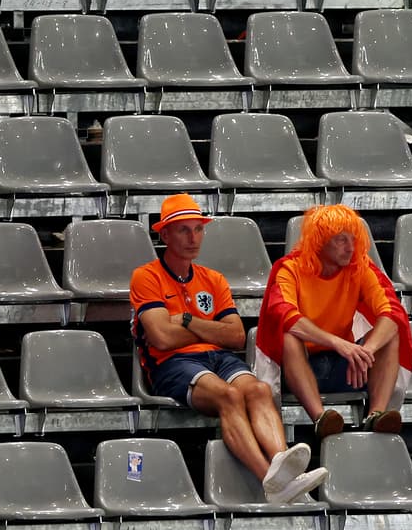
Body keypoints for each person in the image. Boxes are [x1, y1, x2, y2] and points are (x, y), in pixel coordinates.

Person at [131, 194, 326, 504]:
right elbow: (162, 340)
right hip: (171, 364)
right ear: (164, 234)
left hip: (218, 358)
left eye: (198, 229)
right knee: (230, 395)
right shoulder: (146, 276)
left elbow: (235, 337)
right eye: (183, 230)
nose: (193, 238)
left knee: (260, 390)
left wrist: (186, 320)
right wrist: (209, 330)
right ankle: (270, 481)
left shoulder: (214, 279)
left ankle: (285, 473)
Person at [254, 204, 412, 438]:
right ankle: (320, 418)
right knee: (289, 337)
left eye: (353, 239)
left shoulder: (360, 266)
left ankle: (376, 415)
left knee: (390, 334)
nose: (351, 248)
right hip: (300, 368)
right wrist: (339, 343)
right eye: (341, 240)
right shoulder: (289, 268)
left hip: (349, 365)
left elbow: (392, 312)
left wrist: (366, 351)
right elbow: (285, 315)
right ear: (319, 241)